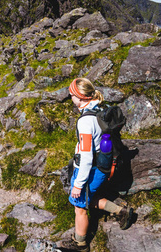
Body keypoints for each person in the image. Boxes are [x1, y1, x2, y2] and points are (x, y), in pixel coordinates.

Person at [58, 78, 134, 252]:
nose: (70, 98)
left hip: (89, 168)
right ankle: (121, 211)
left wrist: (78, 184)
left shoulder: (85, 122)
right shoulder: (99, 108)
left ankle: (80, 244)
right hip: (103, 165)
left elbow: (85, 156)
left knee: (79, 206)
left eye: (72, 95)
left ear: (80, 96)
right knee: (88, 198)